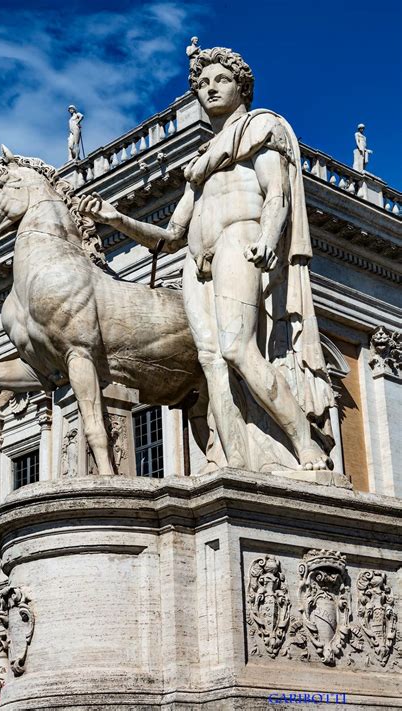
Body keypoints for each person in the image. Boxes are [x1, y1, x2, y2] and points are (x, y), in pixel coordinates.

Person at [79, 46, 334, 472]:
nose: (208, 88)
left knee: (237, 349)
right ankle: (233, 462)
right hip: (197, 262)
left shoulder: (259, 129)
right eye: (201, 84)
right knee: (212, 365)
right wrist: (116, 217)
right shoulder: (199, 169)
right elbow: (170, 237)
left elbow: (278, 193)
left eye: (220, 80)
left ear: (241, 87)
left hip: (242, 240)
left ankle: (305, 445)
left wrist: (270, 236)